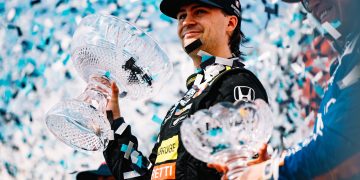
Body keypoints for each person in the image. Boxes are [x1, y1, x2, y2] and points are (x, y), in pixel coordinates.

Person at [103, 0, 269, 179]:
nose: (186, 22)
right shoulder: (179, 107)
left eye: (199, 12)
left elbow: (241, 171)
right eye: (182, 16)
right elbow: (146, 175)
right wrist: (112, 121)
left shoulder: (235, 83)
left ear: (230, 23)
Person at [210, 0, 360, 179]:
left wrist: (270, 172)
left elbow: (344, 146)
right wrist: (273, 163)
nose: (311, 3)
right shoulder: (346, 63)